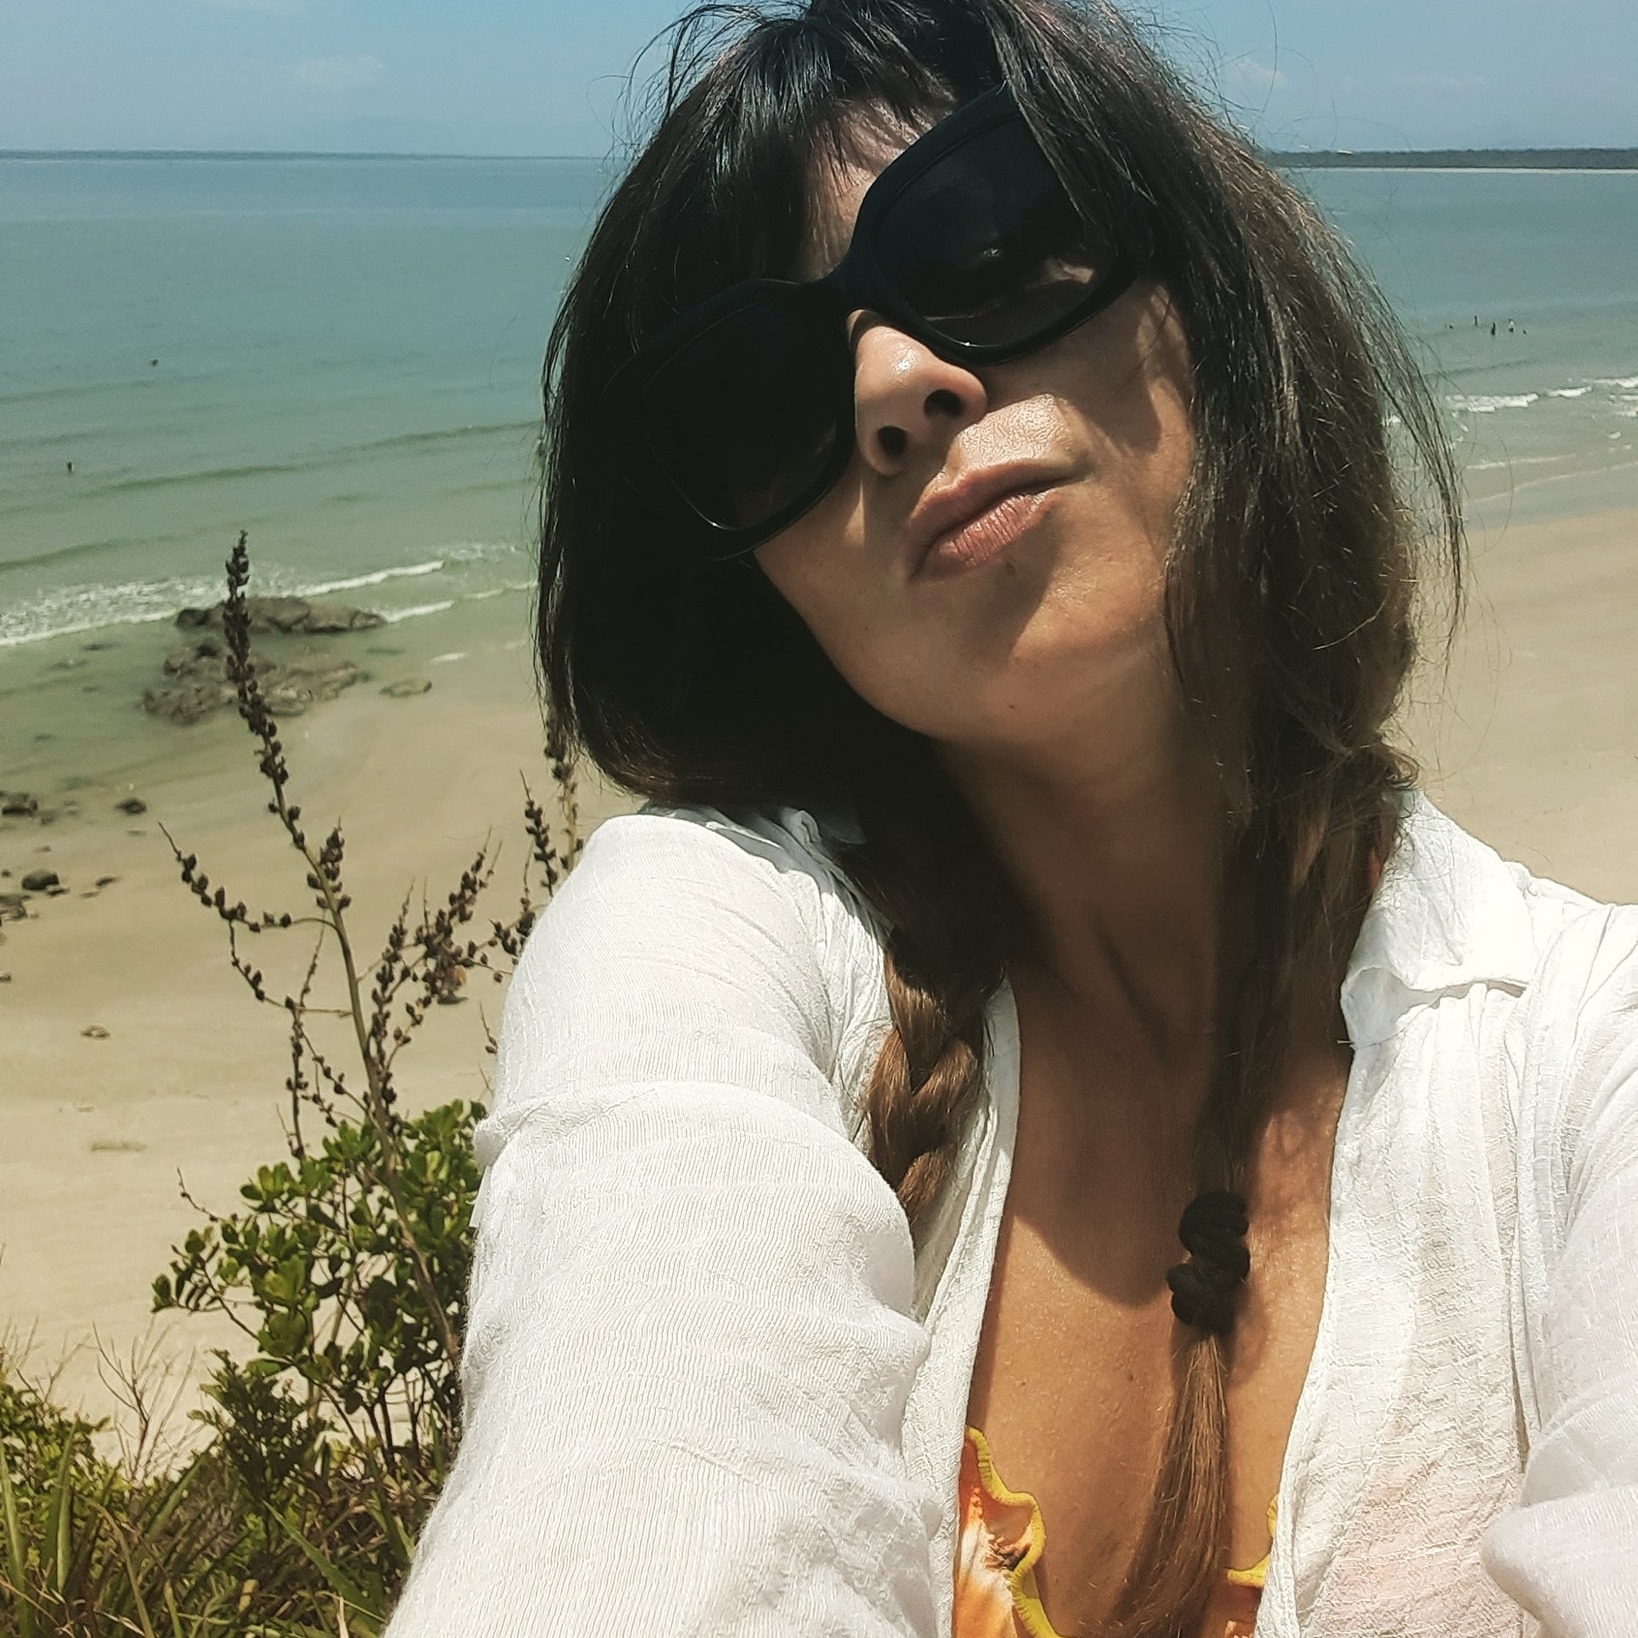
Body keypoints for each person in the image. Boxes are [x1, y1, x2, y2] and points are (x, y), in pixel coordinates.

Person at [384, 1, 1638, 1633]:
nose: (894, 383)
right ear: (760, 591)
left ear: (1209, 287)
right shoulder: (710, 944)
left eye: (985, 236)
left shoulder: (1582, 1057)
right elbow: (639, 1477)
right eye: (762, 397)